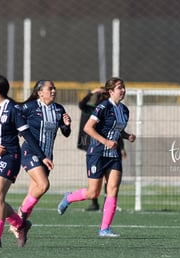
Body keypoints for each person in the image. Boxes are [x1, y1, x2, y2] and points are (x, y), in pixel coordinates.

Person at [57, 77, 135, 237]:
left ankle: (104, 229)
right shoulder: (103, 107)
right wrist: (105, 141)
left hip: (113, 155)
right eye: (120, 87)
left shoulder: (125, 110)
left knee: (113, 189)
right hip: (97, 153)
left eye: (124, 87)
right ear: (111, 91)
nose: (123, 90)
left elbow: (117, 130)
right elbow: (88, 128)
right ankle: (69, 197)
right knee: (93, 193)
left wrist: (127, 136)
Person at [0, 74, 44, 248]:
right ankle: (21, 224)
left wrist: (42, 156)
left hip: (9, 156)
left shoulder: (13, 109)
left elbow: (27, 135)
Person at [9, 79, 71, 240]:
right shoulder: (29, 108)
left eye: (54, 88)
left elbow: (65, 132)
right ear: (40, 92)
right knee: (43, 185)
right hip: (31, 152)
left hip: (47, 156)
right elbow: (16, 123)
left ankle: (17, 225)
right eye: (50, 88)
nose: (53, 91)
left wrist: (67, 125)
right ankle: (20, 214)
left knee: (33, 193)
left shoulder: (58, 109)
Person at [77, 88, 126, 211]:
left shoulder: (110, 109)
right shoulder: (90, 108)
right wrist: (93, 92)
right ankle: (94, 202)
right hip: (93, 145)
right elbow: (81, 104)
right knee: (95, 182)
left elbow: (116, 130)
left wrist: (122, 147)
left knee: (109, 178)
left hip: (111, 148)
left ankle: (107, 202)